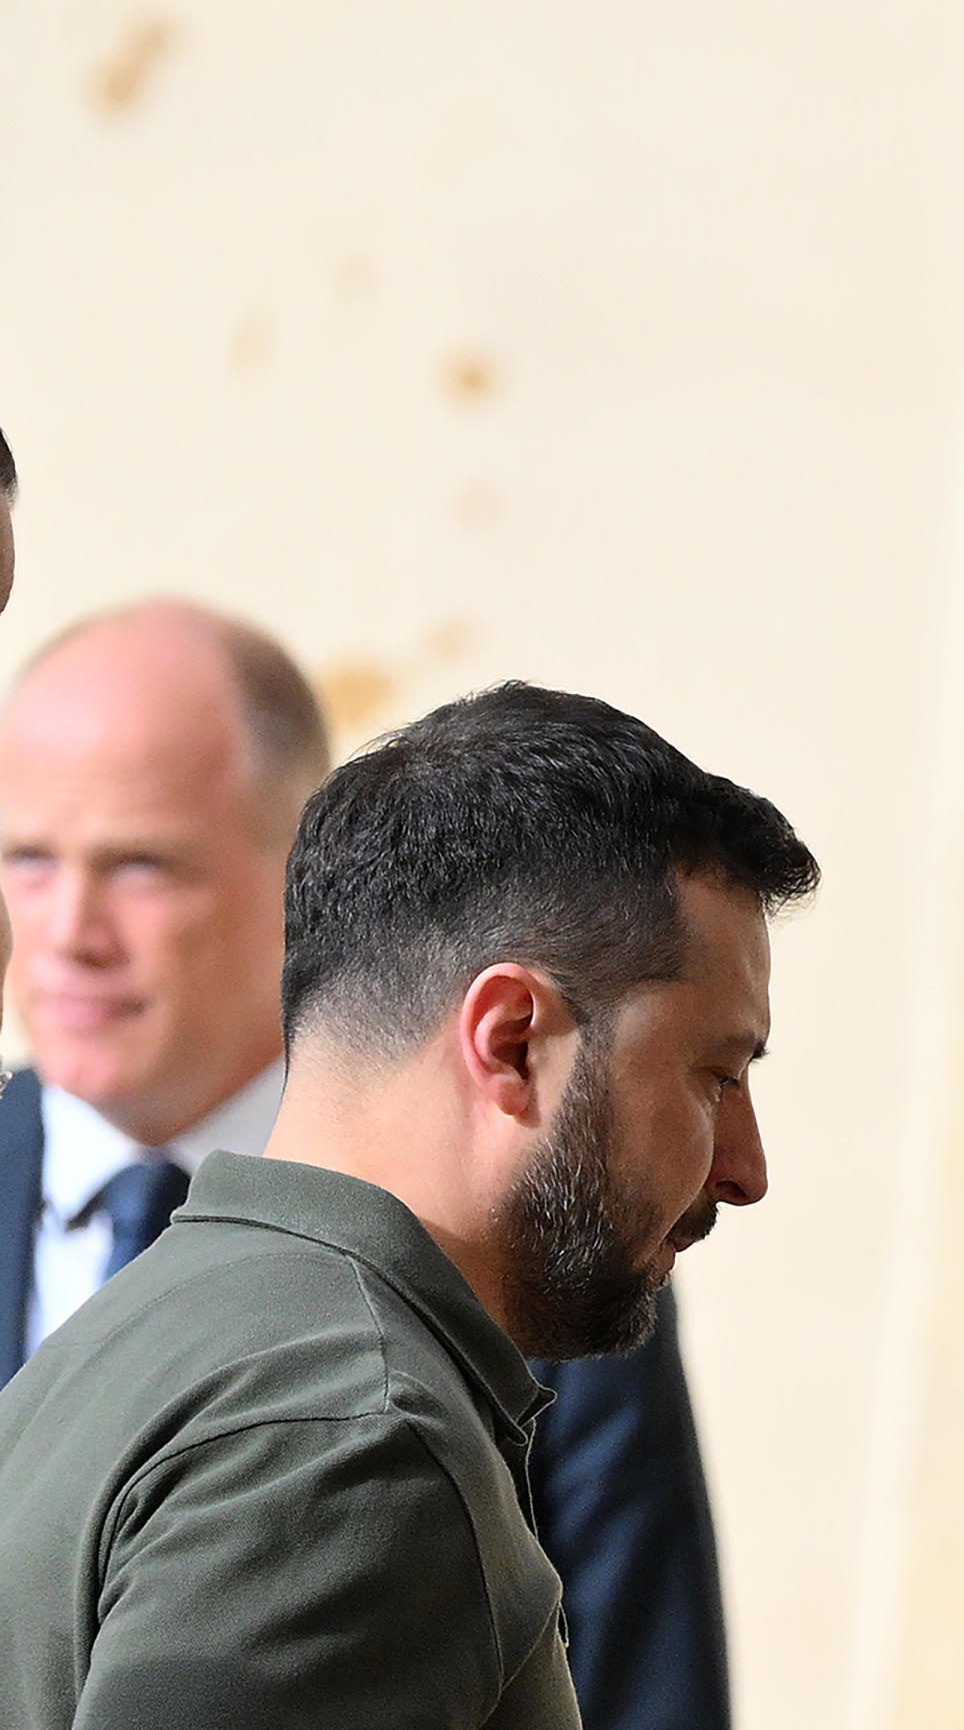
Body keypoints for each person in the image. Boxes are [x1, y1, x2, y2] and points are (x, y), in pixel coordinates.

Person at [0, 682, 817, 1730]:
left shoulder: (147, 1338)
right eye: (714, 1073)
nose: (745, 1166)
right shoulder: (351, 1442)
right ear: (513, 1038)